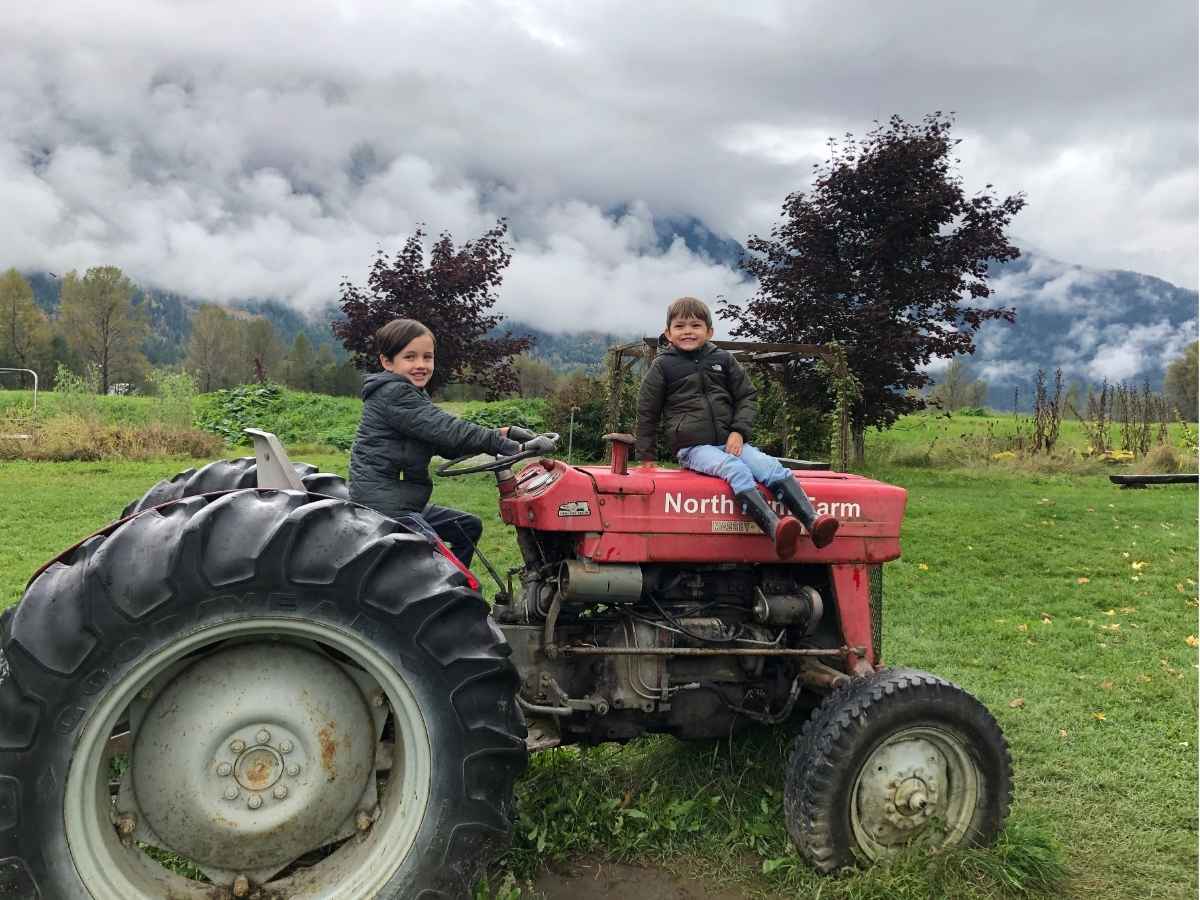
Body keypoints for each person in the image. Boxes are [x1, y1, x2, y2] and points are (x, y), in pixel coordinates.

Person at [635, 297, 838, 557]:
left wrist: (739, 431)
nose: (688, 331)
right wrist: (646, 456)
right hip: (693, 446)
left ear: (709, 332)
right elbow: (647, 411)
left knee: (771, 467)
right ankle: (774, 528)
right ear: (668, 334)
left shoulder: (723, 360)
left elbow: (746, 397)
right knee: (735, 469)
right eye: (680, 326)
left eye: (695, 326)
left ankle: (813, 522)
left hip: (730, 440)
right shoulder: (662, 366)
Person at [349, 318, 528, 568]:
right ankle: (450, 597)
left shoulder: (409, 392)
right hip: (384, 505)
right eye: (410, 357)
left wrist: (504, 432)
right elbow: (447, 430)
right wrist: (504, 444)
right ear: (387, 362)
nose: (421, 365)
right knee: (436, 563)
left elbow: (445, 443)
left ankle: (455, 593)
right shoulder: (393, 393)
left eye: (427, 357)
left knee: (468, 527)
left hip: (402, 500)